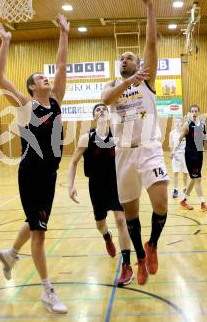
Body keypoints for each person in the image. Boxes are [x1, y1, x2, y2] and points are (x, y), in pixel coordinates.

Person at [0, 13, 69, 314]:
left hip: (50, 175)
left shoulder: (56, 101)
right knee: (39, 232)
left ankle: (11, 254)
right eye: (40, 78)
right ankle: (48, 291)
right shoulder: (27, 107)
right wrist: (6, 42)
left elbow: (62, 65)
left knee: (36, 222)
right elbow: (0, 77)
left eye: (45, 76)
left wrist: (64, 32)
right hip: (31, 175)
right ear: (31, 88)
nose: (45, 78)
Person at [101, 0, 169, 285]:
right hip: (124, 153)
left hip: (149, 147)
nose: (124, 59)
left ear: (139, 63)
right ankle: (140, 257)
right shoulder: (115, 85)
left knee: (162, 204)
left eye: (129, 57)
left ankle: (153, 245)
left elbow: (151, 42)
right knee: (130, 214)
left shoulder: (147, 80)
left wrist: (150, 6)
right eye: (122, 58)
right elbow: (105, 99)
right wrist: (128, 79)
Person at [68, 103, 134, 287]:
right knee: (100, 224)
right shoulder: (86, 138)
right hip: (96, 186)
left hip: (116, 184)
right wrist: (70, 186)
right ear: (94, 117)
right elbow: (73, 162)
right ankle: (107, 237)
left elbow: (131, 156)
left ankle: (127, 265)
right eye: (98, 110)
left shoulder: (118, 136)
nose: (102, 110)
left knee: (121, 220)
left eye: (104, 108)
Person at [172, 104, 207, 212]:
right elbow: (179, 139)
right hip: (190, 155)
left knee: (193, 178)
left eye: (196, 111)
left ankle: (183, 200)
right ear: (189, 113)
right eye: (192, 111)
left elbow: (206, 137)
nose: (194, 113)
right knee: (197, 179)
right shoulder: (187, 125)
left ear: (198, 112)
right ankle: (203, 203)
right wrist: (174, 150)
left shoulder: (202, 125)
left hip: (199, 155)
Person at [169, 118, 188, 198]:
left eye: (179, 121)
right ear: (174, 123)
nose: (177, 123)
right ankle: (175, 189)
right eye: (176, 122)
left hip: (185, 154)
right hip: (176, 155)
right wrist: (172, 152)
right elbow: (170, 143)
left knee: (185, 172)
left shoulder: (185, 132)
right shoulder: (172, 133)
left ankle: (185, 188)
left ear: (181, 123)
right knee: (176, 172)